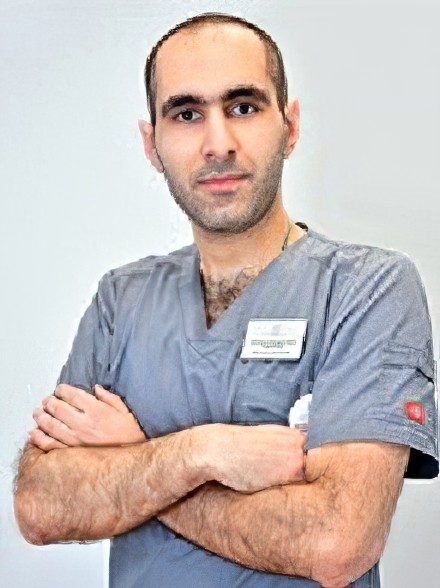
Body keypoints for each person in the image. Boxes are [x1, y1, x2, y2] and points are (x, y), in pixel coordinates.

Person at [14, 12, 437, 588]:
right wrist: (203, 452)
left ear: (290, 127)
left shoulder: (366, 290)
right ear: (152, 145)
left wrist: (134, 461)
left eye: (243, 107)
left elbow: (336, 543)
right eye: (187, 114)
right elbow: (41, 506)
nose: (218, 144)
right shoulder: (122, 300)